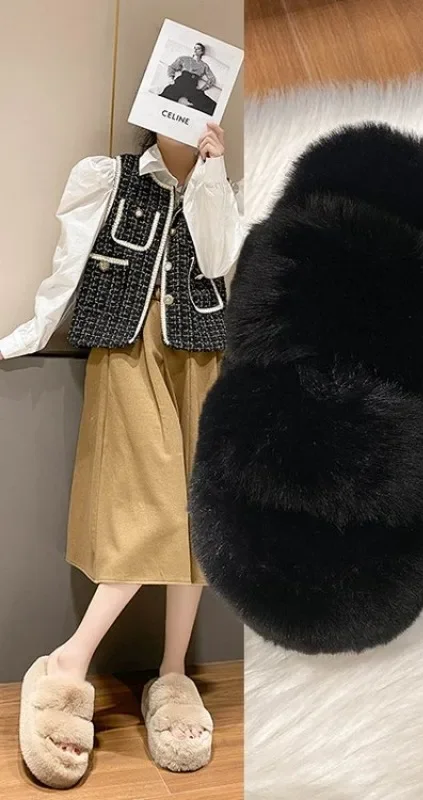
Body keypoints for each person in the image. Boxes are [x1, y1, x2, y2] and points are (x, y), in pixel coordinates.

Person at [2, 122, 243, 789]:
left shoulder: (225, 187)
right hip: (129, 350)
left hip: (203, 356)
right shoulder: (108, 177)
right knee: (154, 511)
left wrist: (212, 174)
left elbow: (219, 258)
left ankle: (173, 674)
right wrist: (32, 332)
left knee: (200, 518)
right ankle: (67, 661)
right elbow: (70, 258)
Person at [161, 42, 218, 115]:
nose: (195, 50)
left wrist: (203, 89)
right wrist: (171, 78)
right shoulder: (184, 59)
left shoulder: (204, 65)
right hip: (181, 81)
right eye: (194, 48)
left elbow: (212, 79)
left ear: (202, 52)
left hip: (192, 85)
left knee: (210, 106)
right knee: (166, 96)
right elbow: (172, 67)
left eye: (198, 48)